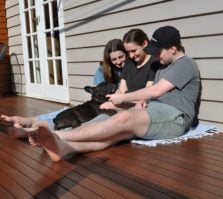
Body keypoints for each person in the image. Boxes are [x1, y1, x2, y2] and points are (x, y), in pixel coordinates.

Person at [12, 26, 201, 162]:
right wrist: (143, 99)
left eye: (158, 51)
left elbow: (158, 89)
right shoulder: (163, 66)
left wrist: (124, 98)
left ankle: (56, 136)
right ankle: (63, 149)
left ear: (173, 49)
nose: (156, 55)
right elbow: (154, 92)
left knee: (123, 118)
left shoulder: (185, 64)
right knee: (111, 133)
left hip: (175, 117)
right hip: (155, 110)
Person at [1, 38, 128, 132]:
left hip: (117, 105)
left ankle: (31, 131)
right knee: (66, 112)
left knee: (72, 118)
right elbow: (97, 93)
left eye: (121, 57)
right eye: (114, 59)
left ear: (126, 54)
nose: (118, 62)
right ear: (108, 59)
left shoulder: (132, 69)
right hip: (102, 105)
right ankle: (31, 121)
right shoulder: (103, 69)